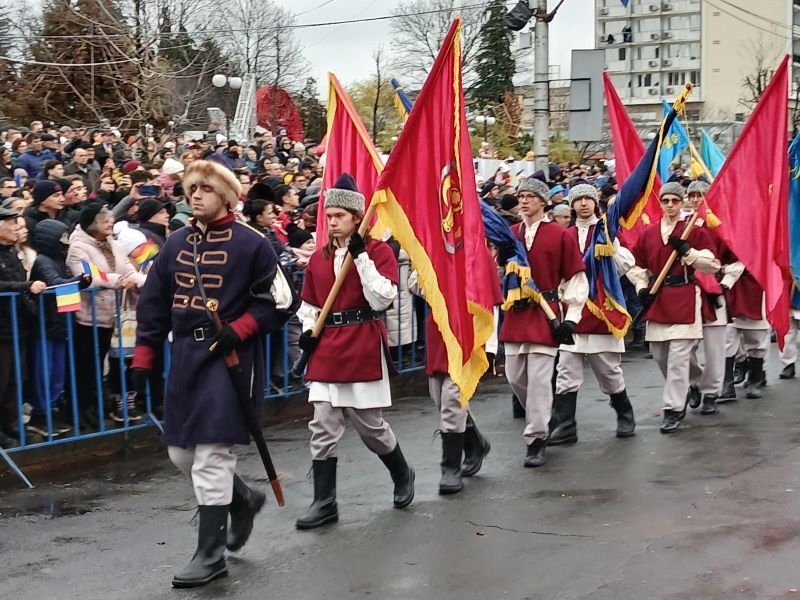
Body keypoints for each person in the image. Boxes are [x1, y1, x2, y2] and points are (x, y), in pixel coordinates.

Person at [131, 159, 297, 588]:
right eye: (192, 189)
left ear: (226, 195)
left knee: (211, 456)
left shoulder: (253, 244)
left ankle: (210, 555)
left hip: (231, 361)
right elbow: (152, 305)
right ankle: (242, 500)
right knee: (181, 454)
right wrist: (143, 360)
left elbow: (280, 301)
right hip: (187, 357)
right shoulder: (175, 243)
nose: (196, 196)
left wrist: (239, 330)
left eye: (205, 188)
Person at [295, 174, 415, 530]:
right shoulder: (319, 257)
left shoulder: (378, 251)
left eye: (339, 216)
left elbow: (383, 297)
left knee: (370, 427)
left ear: (357, 217)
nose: (332, 222)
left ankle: (402, 472)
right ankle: (325, 501)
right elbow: (308, 305)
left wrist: (361, 259)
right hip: (328, 345)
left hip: (362, 340)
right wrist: (307, 332)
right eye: (329, 215)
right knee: (323, 425)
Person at [497, 177, 588, 468]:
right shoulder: (510, 234)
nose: (523, 201)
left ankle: (536, 439)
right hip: (516, 311)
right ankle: (543, 416)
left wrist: (571, 319)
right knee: (515, 377)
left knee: (538, 381)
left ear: (543, 201)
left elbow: (575, 278)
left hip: (545, 311)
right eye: (520, 196)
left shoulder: (560, 235)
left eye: (529, 196)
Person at [628, 182, 721, 433]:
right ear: (661, 202)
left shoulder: (694, 230)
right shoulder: (648, 233)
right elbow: (636, 266)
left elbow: (713, 265)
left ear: (682, 203)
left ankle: (673, 408)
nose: (670, 205)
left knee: (678, 358)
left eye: (675, 201)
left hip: (685, 295)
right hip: (658, 297)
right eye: (666, 200)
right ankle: (696, 381)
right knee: (660, 355)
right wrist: (641, 288)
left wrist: (687, 251)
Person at [549, 184, 636, 445]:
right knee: (566, 371)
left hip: (600, 308)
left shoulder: (606, 232)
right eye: (578, 200)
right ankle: (565, 425)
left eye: (588, 198)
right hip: (571, 309)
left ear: (595, 202)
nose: (584, 204)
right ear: (572, 205)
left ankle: (624, 413)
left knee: (608, 371)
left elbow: (624, 266)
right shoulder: (564, 234)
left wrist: (610, 253)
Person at [66, 203, 145, 428]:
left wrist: (147, 282)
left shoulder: (113, 243)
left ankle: (94, 404)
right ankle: (81, 408)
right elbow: (89, 276)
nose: (110, 222)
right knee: (86, 366)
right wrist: (119, 282)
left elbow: (128, 270)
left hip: (111, 314)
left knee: (100, 363)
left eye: (110, 219)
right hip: (88, 317)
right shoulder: (78, 247)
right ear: (92, 224)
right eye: (104, 220)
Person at [684, 181, 743, 414]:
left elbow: (738, 258)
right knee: (683, 347)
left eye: (701, 195)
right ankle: (695, 382)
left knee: (715, 347)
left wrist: (726, 283)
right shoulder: (681, 225)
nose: (696, 200)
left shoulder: (722, 225)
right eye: (693, 196)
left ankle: (711, 392)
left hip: (714, 291)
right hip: (685, 293)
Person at [29, 219, 92, 436]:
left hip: (59, 323)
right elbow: (55, 283)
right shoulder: (43, 261)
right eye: (62, 238)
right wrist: (77, 280)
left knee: (57, 371)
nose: (65, 242)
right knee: (44, 371)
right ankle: (41, 411)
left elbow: (63, 285)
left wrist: (81, 282)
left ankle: (52, 408)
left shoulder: (57, 259)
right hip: (45, 324)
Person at [0, 207, 47, 447]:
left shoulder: (11, 252)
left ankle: (12, 424)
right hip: (3, 328)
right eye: (12, 225)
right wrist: (25, 287)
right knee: (2, 379)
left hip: (17, 325)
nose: (18, 229)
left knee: (15, 380)